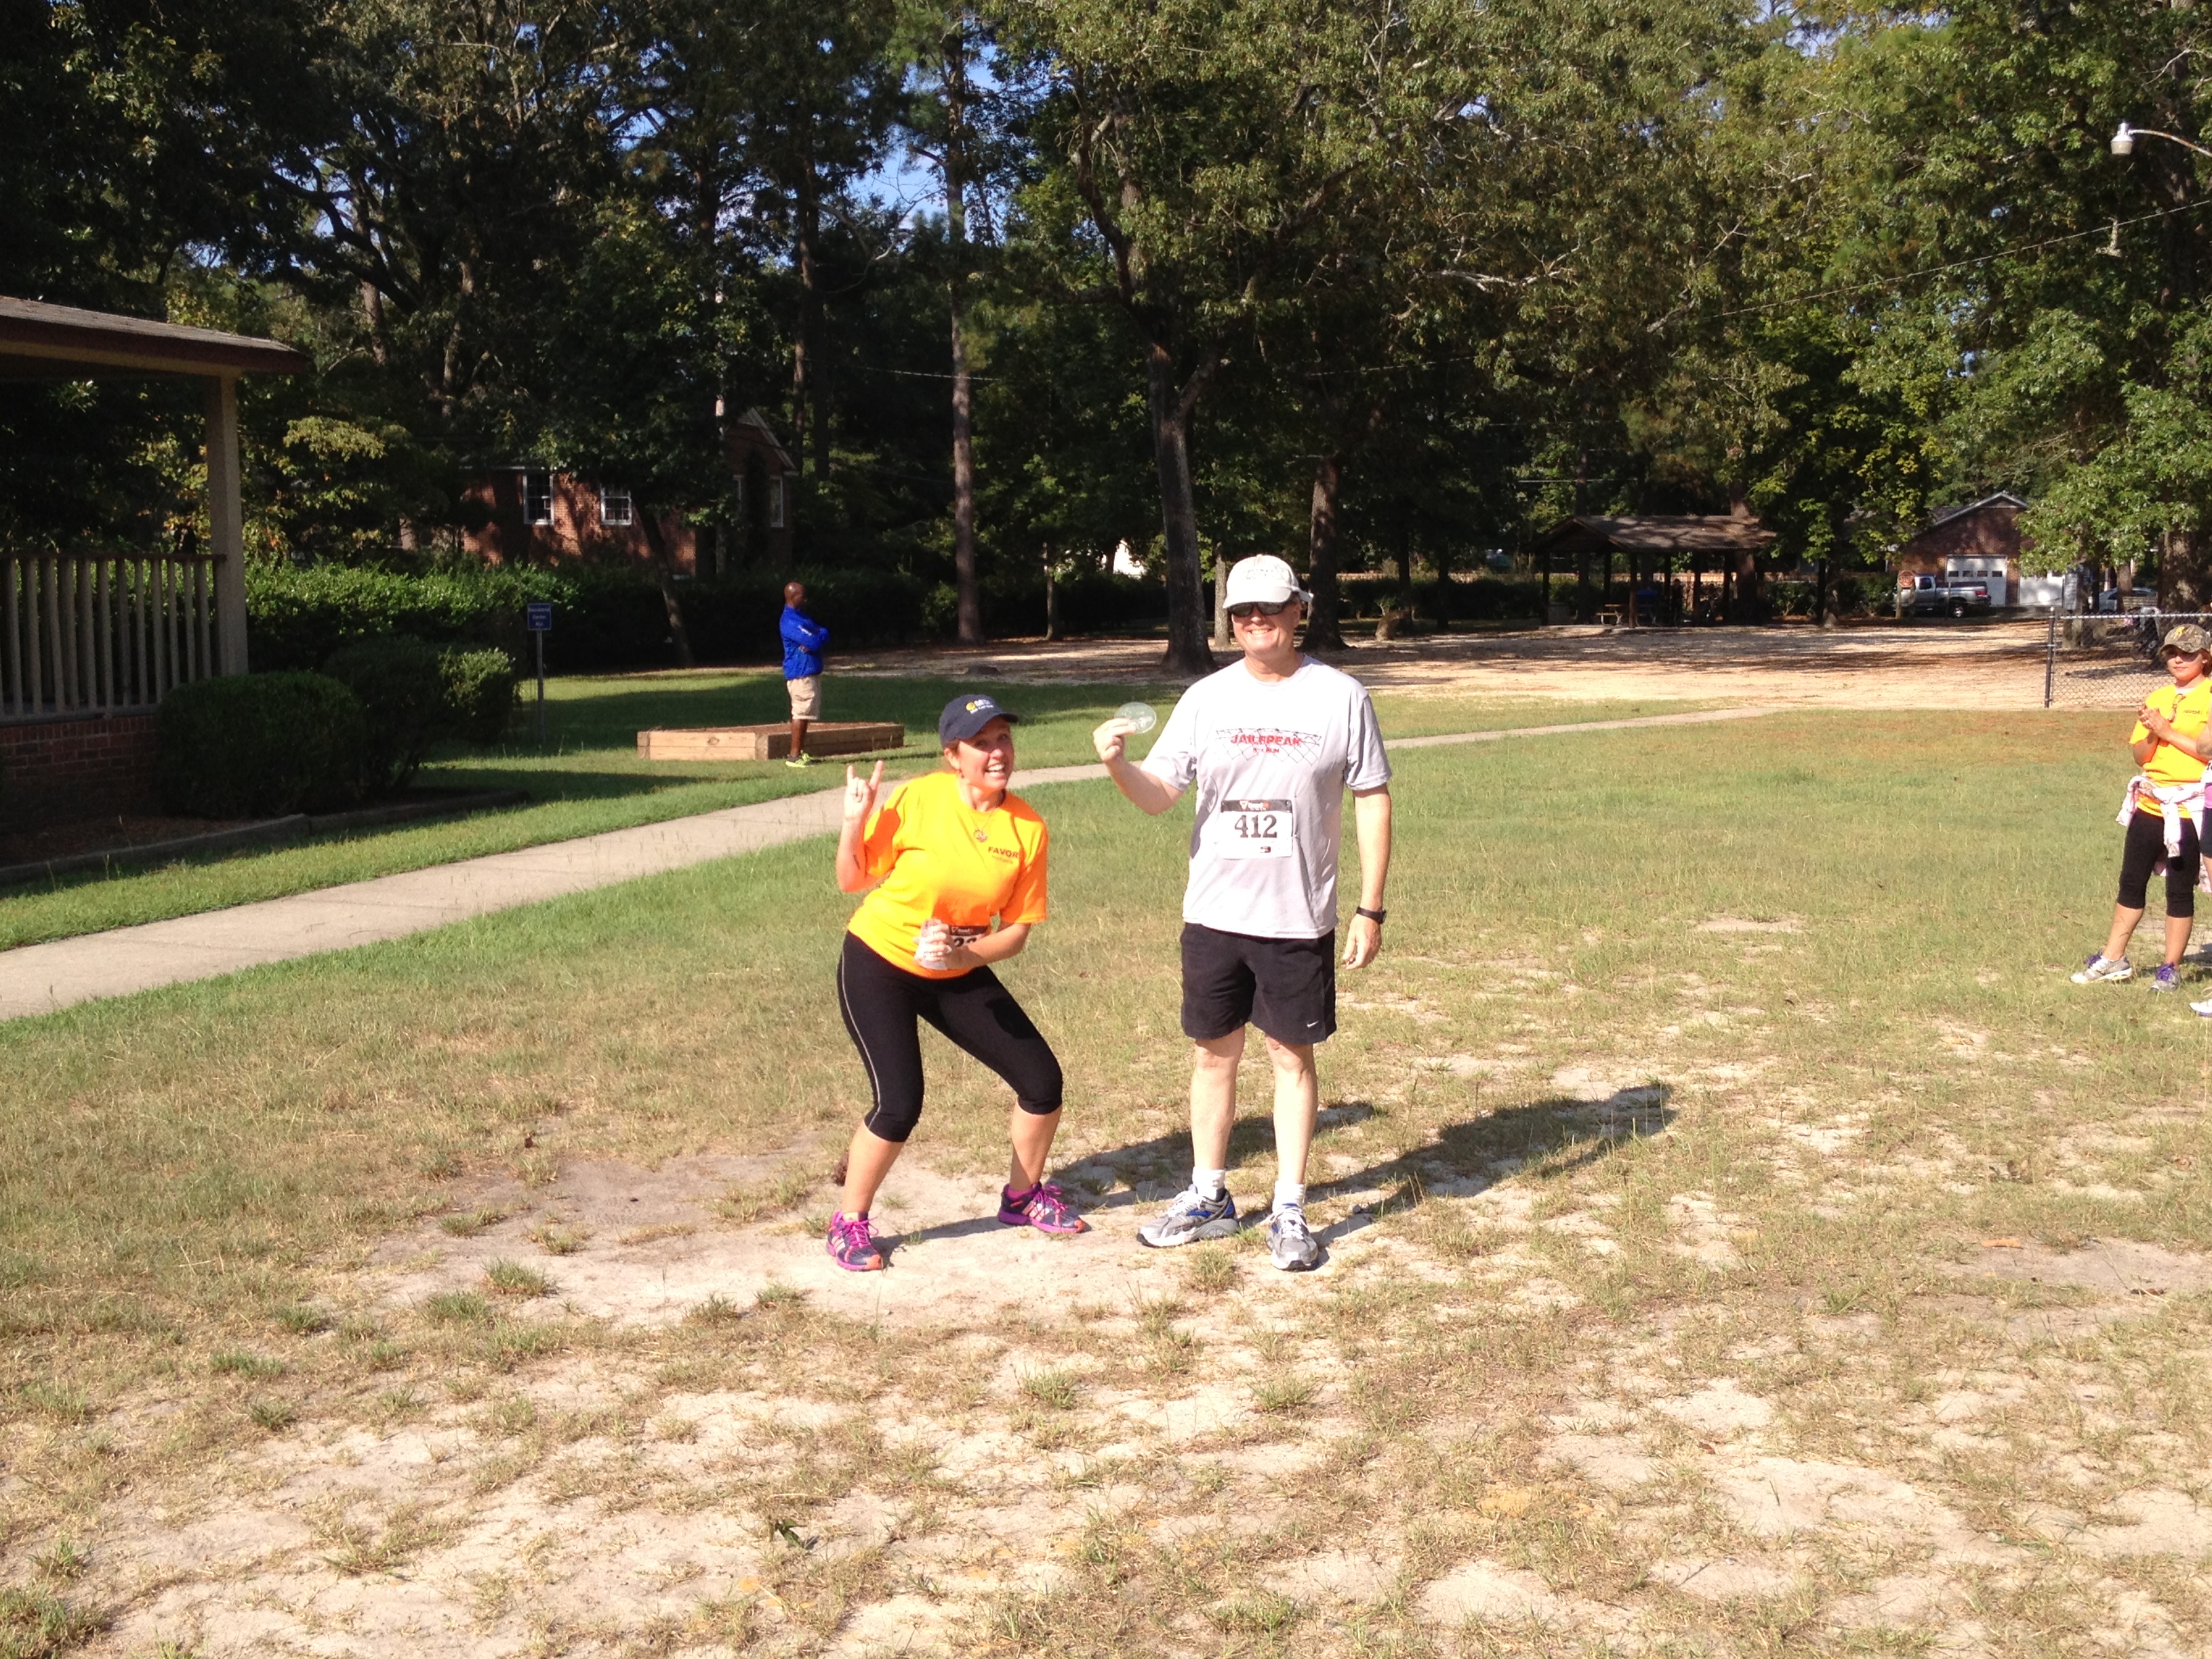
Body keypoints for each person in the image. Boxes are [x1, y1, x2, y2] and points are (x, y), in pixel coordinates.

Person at [1092, 554, 1393, 1272]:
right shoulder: (1207, 698)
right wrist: (1117, 766)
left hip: (1296, 917)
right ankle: (1209, 1196)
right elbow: (1161, 794)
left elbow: (1372, 797)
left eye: (1270, 608)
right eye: (1242, 611)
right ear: (1230, 621)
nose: (1257, 620)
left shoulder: (1341, 697)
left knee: (1290, 1057)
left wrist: (1371, 907)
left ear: (1298, 611)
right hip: (1215, 914)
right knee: (1212, 1054)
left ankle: (1289, 1206)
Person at [824, 693, 1086, 1271]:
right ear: (953, 756)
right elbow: (851, 880)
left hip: (955, 967)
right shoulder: (919, 798)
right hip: (879, 960)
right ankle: (849, 1224)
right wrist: (853, 822)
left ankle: (1022, 1198)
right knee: (899, 1102)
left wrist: (961, 956)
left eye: (1004, 739)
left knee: (1041, 1081)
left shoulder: (1028, 827)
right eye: (981, 743)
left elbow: (1016, 933)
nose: (998, 753)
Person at [2075, 623, 2212, 995]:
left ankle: (2170, 968)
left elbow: (2207, 753)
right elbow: (2141, 755)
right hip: (2151, 804)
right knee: (2131, 882)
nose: (2178, 660)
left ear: (2205, 658)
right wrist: (2152, 731)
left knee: (2179, 891)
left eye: (2187, 653)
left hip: (2189, 808)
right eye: (2172, 653)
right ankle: (2114, 958)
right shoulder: (2159, 696)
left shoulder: (2210, 696)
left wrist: (2167, 732)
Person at [780, 581, 830, 768]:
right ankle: (794, 756)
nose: (806, 599)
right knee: (800, 712)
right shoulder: (790, 621)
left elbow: (824, 633)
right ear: (793, 597)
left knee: (807, 713)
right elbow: (815, 643)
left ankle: (800, 752)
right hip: (800, 673)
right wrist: (815, 638)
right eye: (802, 596)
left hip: (810, 672)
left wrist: (817, 636)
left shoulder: (802, 617)